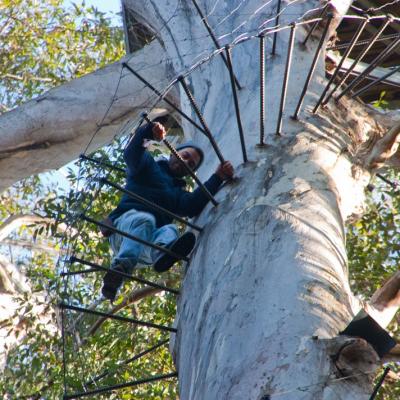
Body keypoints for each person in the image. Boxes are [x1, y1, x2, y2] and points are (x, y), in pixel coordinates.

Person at [101, 119, 234, 300]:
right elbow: (132, 154)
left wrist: (218, 177)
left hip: (145, 250)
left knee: (170, 230)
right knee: (145, 220)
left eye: (192, 164)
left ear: (190, 172)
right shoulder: (147, 167)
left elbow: (193, 205)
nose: (187, 161)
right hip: (123, 233)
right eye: (185, 155)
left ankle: (163, 253)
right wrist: (148, 132)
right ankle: (118, 272)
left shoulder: (178, 194)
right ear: (174, 152)